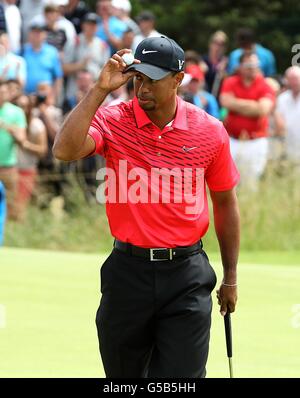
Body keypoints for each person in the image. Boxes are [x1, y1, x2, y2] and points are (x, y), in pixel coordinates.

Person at [53, 36, 240, 378]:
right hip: (127, 273)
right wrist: (99, 89)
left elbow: (225, 204)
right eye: (138, 77)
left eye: (153, 79)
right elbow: (64, 151)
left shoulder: (210, 131)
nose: (143, 88)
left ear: (178, 79)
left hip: (186, 275)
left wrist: (230, 278)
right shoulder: (113, 120)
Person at [220, 52, 275, 189]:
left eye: (255, 64)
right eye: (249, 64)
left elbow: (263, 109)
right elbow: (225, 102)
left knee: (251, 184)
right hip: (232, 140)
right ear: (241, 66)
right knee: (229, 183)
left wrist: (236, 105)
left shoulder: (266, 85)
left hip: (256, 141)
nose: (252, 67)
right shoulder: (230, 81)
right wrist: (253, 105)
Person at [16, 94, 47, 220]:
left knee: (20, 209)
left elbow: (42, 150)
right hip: (8, 169)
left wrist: (24, 144)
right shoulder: (8, 121)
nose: (20, 109)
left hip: (26, 170)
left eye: (23, 106)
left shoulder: (36, 124)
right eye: (17, 106)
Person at [0, 81, 26, 219]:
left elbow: (21, 138)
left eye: (4, 92)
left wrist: (5, 126)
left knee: (12, 208)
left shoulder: (16, 112)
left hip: (8, 168)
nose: (3, 95)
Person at [22, 21, 63, 102]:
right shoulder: (22, 51)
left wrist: (53, 97)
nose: (36, 35)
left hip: (46, 98)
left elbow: (58, 77)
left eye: (39, 32)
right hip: (26, 97)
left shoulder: (52, 52)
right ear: (29, 34)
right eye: (34, 32)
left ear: (45, 35)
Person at [276, 66, 300, 167]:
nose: (294, 82)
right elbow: (278, 120)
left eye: (296, 79)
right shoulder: (282, 98)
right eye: (291, 79)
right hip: (287, 145)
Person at [202, 30, 228, 96]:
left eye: (221, 44)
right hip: (203, 95)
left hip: (219, 97)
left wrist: (224, 74)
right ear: (210, 43)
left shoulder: (226, 62)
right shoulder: (203, 60)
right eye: (215, 42)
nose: (218, 46)